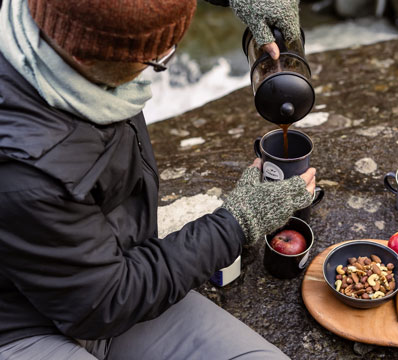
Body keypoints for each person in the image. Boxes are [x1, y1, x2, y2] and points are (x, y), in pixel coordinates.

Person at [0, 0, 311, 359]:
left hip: (119, 270)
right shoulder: (23, 166)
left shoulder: (58, 38)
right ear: (88, 57)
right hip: (22, 323)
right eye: (156, 60)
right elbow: (102, 304)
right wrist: (236, 223)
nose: (159, 66)